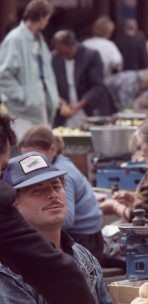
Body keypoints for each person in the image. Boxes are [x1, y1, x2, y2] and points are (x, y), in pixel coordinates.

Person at [0, 114, 105, 304]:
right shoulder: (7, 272)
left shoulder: (84, 258)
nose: (52, 195)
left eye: (56, 186)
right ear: (13, 203)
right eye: (37, 190)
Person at [18, 126, 106, 262]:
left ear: (53, 149)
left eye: (35, 158)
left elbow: (67, 220)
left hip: (85, 239)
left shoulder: (63, 172)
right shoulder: (61, 162)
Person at [0, 0, 59, 138]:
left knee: (43, 151)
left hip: (41, 106)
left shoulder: (39, 39)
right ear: (41, 17)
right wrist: (23, 97)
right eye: (47, 18)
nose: (48, 22)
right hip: (23, 111)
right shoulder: (15, 39)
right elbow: (4, 75)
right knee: (26, 154)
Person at [52, 30, 115, 128]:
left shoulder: (91, 56)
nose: (64, 56)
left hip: (89, 109)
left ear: (73, 45)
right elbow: (51, 84)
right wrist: (60, 102)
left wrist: (79, 105)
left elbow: (97, 86)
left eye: (66, 53)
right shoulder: (54, 58)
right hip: (65, 113)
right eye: (61, 54)